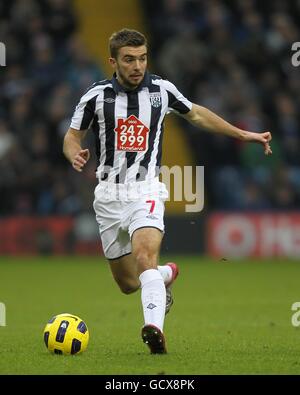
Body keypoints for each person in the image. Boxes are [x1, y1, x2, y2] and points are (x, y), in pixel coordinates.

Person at [63, 28, 272, 354]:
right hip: (107, 196)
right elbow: (72, 135)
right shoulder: (95, 96)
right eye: (129, 59)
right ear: (113, 62)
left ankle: (154, 330)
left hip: (145, 187)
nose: (137, 66)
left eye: (142, 58)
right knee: (128, 283)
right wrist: (73, 152)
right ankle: (166, 275)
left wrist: (243, 135)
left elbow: (198, 114)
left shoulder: (161, 90)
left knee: (145, 256)